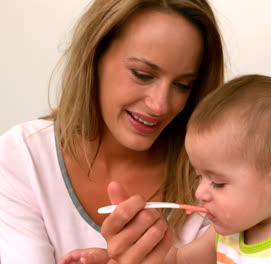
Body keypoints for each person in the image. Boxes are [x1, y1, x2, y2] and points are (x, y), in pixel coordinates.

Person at [0, 0, 225, 263]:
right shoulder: (21, 159)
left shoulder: (217, 178)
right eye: (142, 74)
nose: (161, 105)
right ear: (94, 56)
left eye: (183, 85)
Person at [60, 74, 271, 264]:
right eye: (200, 176)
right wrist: (113, 259)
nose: (200, 192)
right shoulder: (228, 230)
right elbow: (175, 262)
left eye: (218, 183)